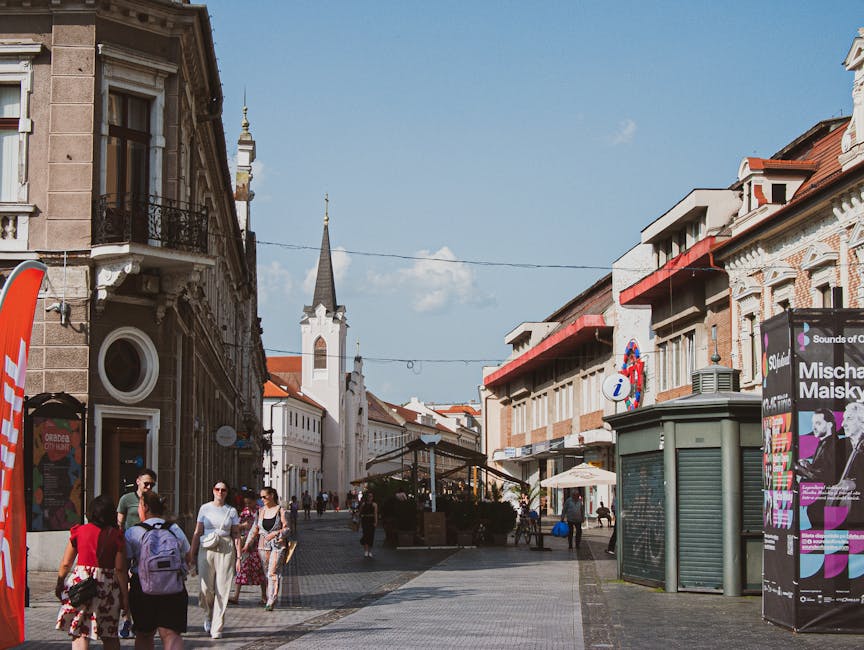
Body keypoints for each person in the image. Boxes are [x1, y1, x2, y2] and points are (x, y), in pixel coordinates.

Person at [55, 494, 129, 650]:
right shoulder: (117, 536)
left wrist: (60, 583)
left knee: (80, 632)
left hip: (82, 584)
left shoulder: (79, 532)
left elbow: (66, 563)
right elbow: (121, 569)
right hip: (108, 586)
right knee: (109, 634)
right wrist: (124, 596)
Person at [124, 491, 189, 650]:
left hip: (143, 588)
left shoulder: (133, 532)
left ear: (144, 507)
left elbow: (124, 562)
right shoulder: (174, 529)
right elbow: (187, 555)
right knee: (171, 634)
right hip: (173, 588)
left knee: (144, 633)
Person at [186, 481, 240, 640]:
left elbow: (236, 534)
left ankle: (217, 626)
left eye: (223, 490)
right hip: (207, 547)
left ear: (227, 492)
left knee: (223, 588)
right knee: (205, 588)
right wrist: (191, 553)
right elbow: (197, 532)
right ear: (213, 491)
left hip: (226, 547)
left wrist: (239, 557)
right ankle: (208, 614)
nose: (220, 492)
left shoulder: (231, 511)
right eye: (217, 489)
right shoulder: (205, 508)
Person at [245, 487, 289, 611]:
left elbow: (287, 529)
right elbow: (255, 529)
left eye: (264, 497)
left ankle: (271, 599)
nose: (262, 499)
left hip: (277, 546)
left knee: (272, 572)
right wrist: (247, 543)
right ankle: (271, 595)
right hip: (263, 546)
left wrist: (277, 534)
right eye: (261, 497)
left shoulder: (281, 511)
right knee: (266, 572)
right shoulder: (261, 512)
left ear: (272, 496)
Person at [230, 491, 266, 606]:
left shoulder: (260, 511)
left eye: (249, 503)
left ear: (255, 501)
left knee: (260, 569)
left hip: (257, 545)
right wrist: (243, 526)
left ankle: (264, 596)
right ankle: (236, 596)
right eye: (246, 503)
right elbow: (236, 527)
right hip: (246, 544)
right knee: (241, 569)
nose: (248, 505)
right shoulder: (244, 513)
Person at [359, 491, 378, 558]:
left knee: (371, 536)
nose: (370, 498)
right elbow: (360, 512)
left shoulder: (374, 505)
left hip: (371, 521)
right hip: (365, 521)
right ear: (367, 497)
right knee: (365, 535)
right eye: (369, 496)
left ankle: (369, 551)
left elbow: (375, 514)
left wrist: (376, 522)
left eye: (371, 496)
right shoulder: (363, 504)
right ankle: (366, 551)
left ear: (373, 497)